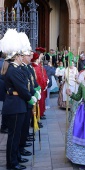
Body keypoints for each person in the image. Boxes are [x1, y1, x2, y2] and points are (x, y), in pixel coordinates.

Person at [0, 29, 37, 170]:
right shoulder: (13, 70)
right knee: (14, 136)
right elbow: (22, 88)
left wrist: (31, 95)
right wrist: (30, 97)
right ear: (16, 56)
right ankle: (12, 163)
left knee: (16, 135)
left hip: (18, 104)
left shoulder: (17, 69)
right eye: (20, 55)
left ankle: (16, 158)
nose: (23, 57)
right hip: (15, 105)